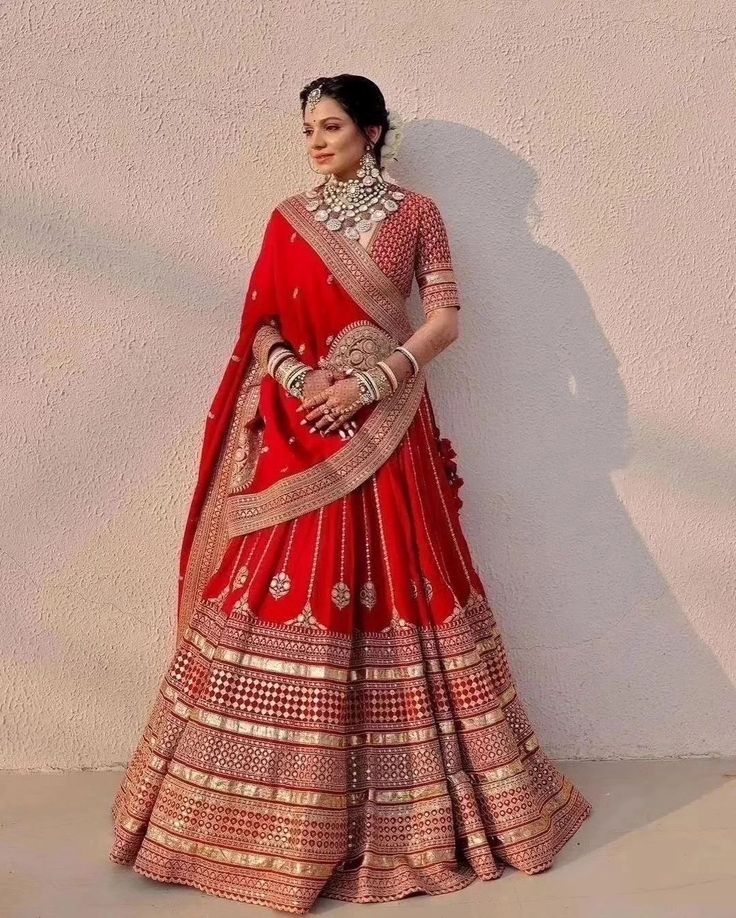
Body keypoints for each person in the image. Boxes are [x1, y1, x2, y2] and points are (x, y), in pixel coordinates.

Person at [110, 73, 592, 914]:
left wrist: (374, 379)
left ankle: (415, 818)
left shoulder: (417, 214)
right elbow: (259, 325)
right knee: (268, 589)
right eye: (308, 129)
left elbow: (444, 317)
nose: (316, 142)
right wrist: (299, 381)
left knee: (406, 585)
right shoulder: (286, 219)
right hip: (300, 432)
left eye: (331, 126)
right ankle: (258, 822)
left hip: (388, 427)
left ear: (372, 131)